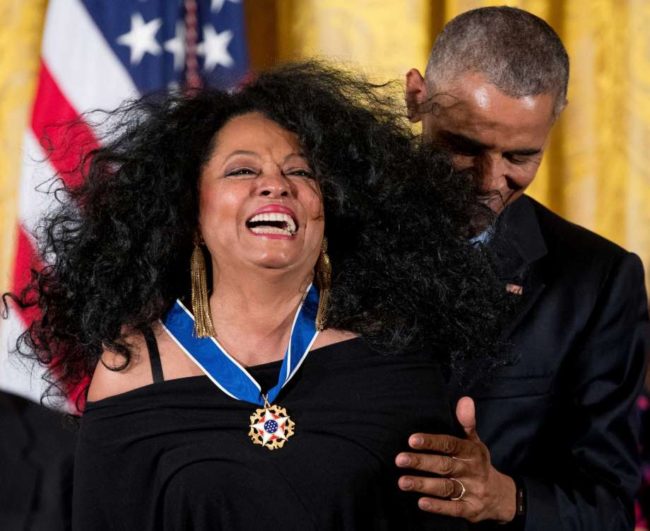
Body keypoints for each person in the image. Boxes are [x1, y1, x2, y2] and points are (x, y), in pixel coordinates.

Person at [9, 62, 508, 530]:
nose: (275, 185)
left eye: (300, 171)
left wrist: (480, 501)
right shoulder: (132, 369)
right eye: (241, 171)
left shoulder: (394, 349)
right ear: (191, 212)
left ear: (330, 207)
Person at [398, 6, 650, 530]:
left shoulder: (598, 280)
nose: (490, 182)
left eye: (520, 156)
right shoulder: (326, 236)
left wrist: (505, 498)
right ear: (416, 99)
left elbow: (608, 507)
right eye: (464, 147)